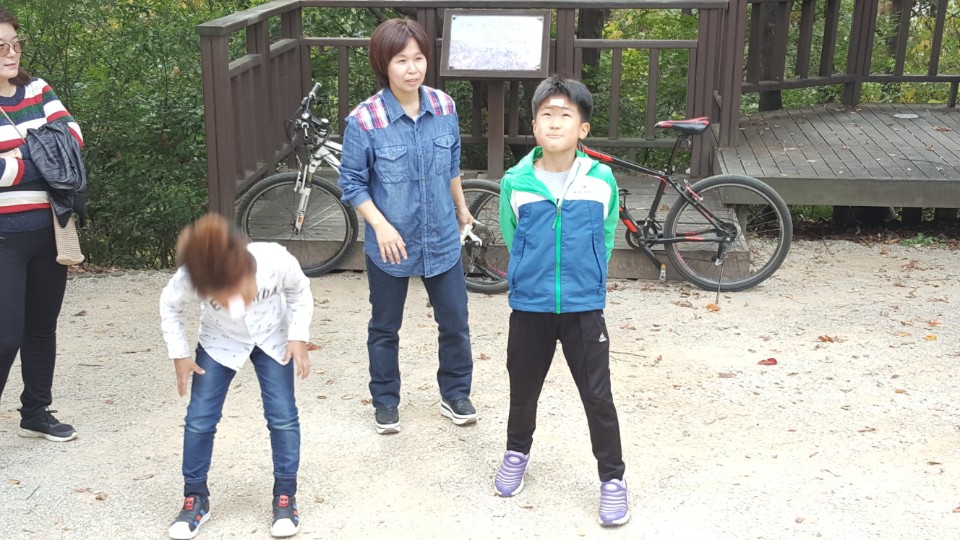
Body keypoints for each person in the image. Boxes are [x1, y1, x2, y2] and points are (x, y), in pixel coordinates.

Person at [494, 76, 629, 526]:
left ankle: (612, 479)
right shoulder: (516, 182)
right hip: (530, 307)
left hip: (583, 307)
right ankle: (516, 453)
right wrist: (532, 274)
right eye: (546, 115)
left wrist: (586, 277)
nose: (555, 122)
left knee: (597, 396)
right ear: (534, 126)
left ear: (582, 129)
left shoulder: (600, 180)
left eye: (565, 115)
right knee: (523, 389)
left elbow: (605, 235)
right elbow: (513, 236)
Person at [338, 18, 476, 435]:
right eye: (401, 60)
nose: (412, 68)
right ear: (384, 64)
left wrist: (462, 208)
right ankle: (385, 401)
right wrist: (381, 226)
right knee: (385, 327)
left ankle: (456, 394)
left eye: (418, 58)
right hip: (391, 243)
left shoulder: (444, 106)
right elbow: (352, 182)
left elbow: (451, 165)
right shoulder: (365, 120)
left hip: (441, 236)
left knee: (455, 322)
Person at [159, 214, 313, 539]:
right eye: (222, 295)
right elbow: (169, 305)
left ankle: (285, 495)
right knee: (199, 419)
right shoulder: (190, 277)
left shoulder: (274, 259)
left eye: (239, 290)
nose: (236, 302)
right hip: (219, 342)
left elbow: (300, 291)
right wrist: (180, 354)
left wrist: (298, 336)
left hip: (272, 338)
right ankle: (195, 497)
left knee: (283, 417)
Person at [0, 7, 83, 442]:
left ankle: (35, 411)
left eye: (15, 44)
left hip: (50, 230)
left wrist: (17, 160)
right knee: (5, 334)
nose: (11, 53)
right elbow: (53, 153)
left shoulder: (37, 89)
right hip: (4, 238)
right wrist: (42, 155)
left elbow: (73, 141)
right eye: (1, 47)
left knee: (40, 327)